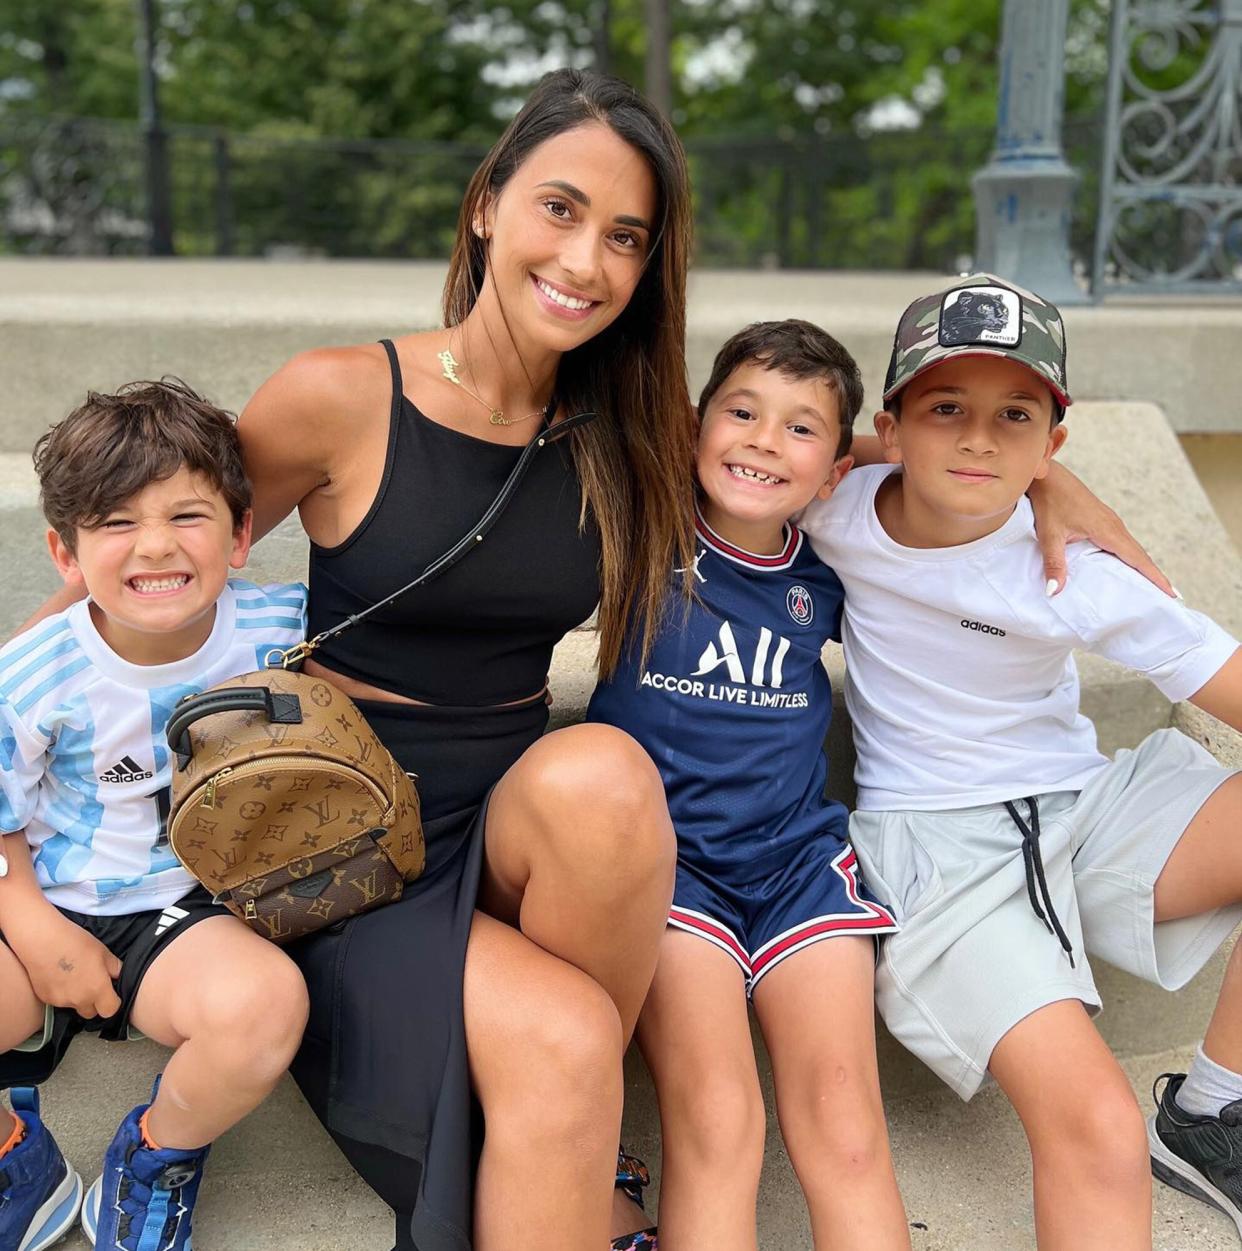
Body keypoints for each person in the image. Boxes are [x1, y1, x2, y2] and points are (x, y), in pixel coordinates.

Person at [9, 73, 1178, 1249]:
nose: (587, 259)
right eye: (559, 210)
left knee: (607, 775)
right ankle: (582, 1155)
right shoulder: (341, 397)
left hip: (524, 820)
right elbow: (146, 545)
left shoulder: (629, 430)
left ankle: (580, 1147)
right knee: (563, 1038)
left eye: (625, 237)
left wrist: (1048, 476)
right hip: (357, 832)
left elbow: (847, 449)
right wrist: (13, 699)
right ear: (485, 208)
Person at [798, 273, 1242, 1249]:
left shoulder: (1072, 570)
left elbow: (1223, 673)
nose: (977, 439)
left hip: (1084, 816)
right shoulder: (838, 507)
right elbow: (725, 437)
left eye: (1015, 417)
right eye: (946, 407)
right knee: (1095, 1126)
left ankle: (1213, 1112)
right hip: (943, 856)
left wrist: (1049, 487)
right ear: (892, 425)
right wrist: (867, 450)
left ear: (1054, 443)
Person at [588, 320, 909, 1251]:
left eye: (802, 429)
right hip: (672, 875)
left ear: (838, 469)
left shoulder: (833, 572)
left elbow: (948, 487)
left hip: (798, 867)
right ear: (695, 426)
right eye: (742, 412)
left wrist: (1052, 484)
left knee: (846, 1127)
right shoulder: (644, 521)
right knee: (722, 1118)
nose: (767, 440)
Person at [0, 381, 310, 1251]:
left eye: (187, 515)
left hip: (185, 917)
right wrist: (27, 921)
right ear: (65, 552)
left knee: (265, 1005)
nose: (156, 546)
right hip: (44, 904)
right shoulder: (33, 675)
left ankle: (154, 1156)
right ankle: (18, 1167)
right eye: (116, 522)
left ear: (243, 533)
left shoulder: (284, 633)